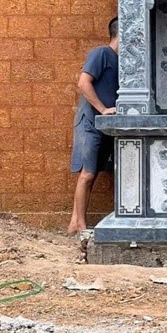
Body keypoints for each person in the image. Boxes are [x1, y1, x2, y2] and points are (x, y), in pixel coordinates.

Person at [68, 17, 119, 235]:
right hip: (91, 123)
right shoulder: (101, 53)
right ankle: (81, 225)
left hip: (104, 126)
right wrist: (103, 109)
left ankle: (74, 223)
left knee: (93, 173)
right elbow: (83, 83)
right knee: (87, 174)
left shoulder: (121, 60)